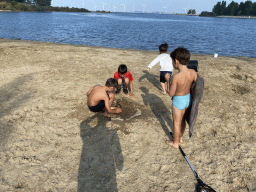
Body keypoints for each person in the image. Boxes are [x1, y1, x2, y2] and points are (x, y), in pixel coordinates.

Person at [167, 47, 197, 149]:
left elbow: (171, 93)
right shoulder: (193, 72)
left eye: (172, 61)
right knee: (183, 120)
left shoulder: (175, 77)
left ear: (176, 60)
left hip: (178, 101)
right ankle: (180, 138)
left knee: (176, 122)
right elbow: (197, 83)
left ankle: (175, 143)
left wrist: (168, 81)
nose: (172, 63)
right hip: (188, 99)